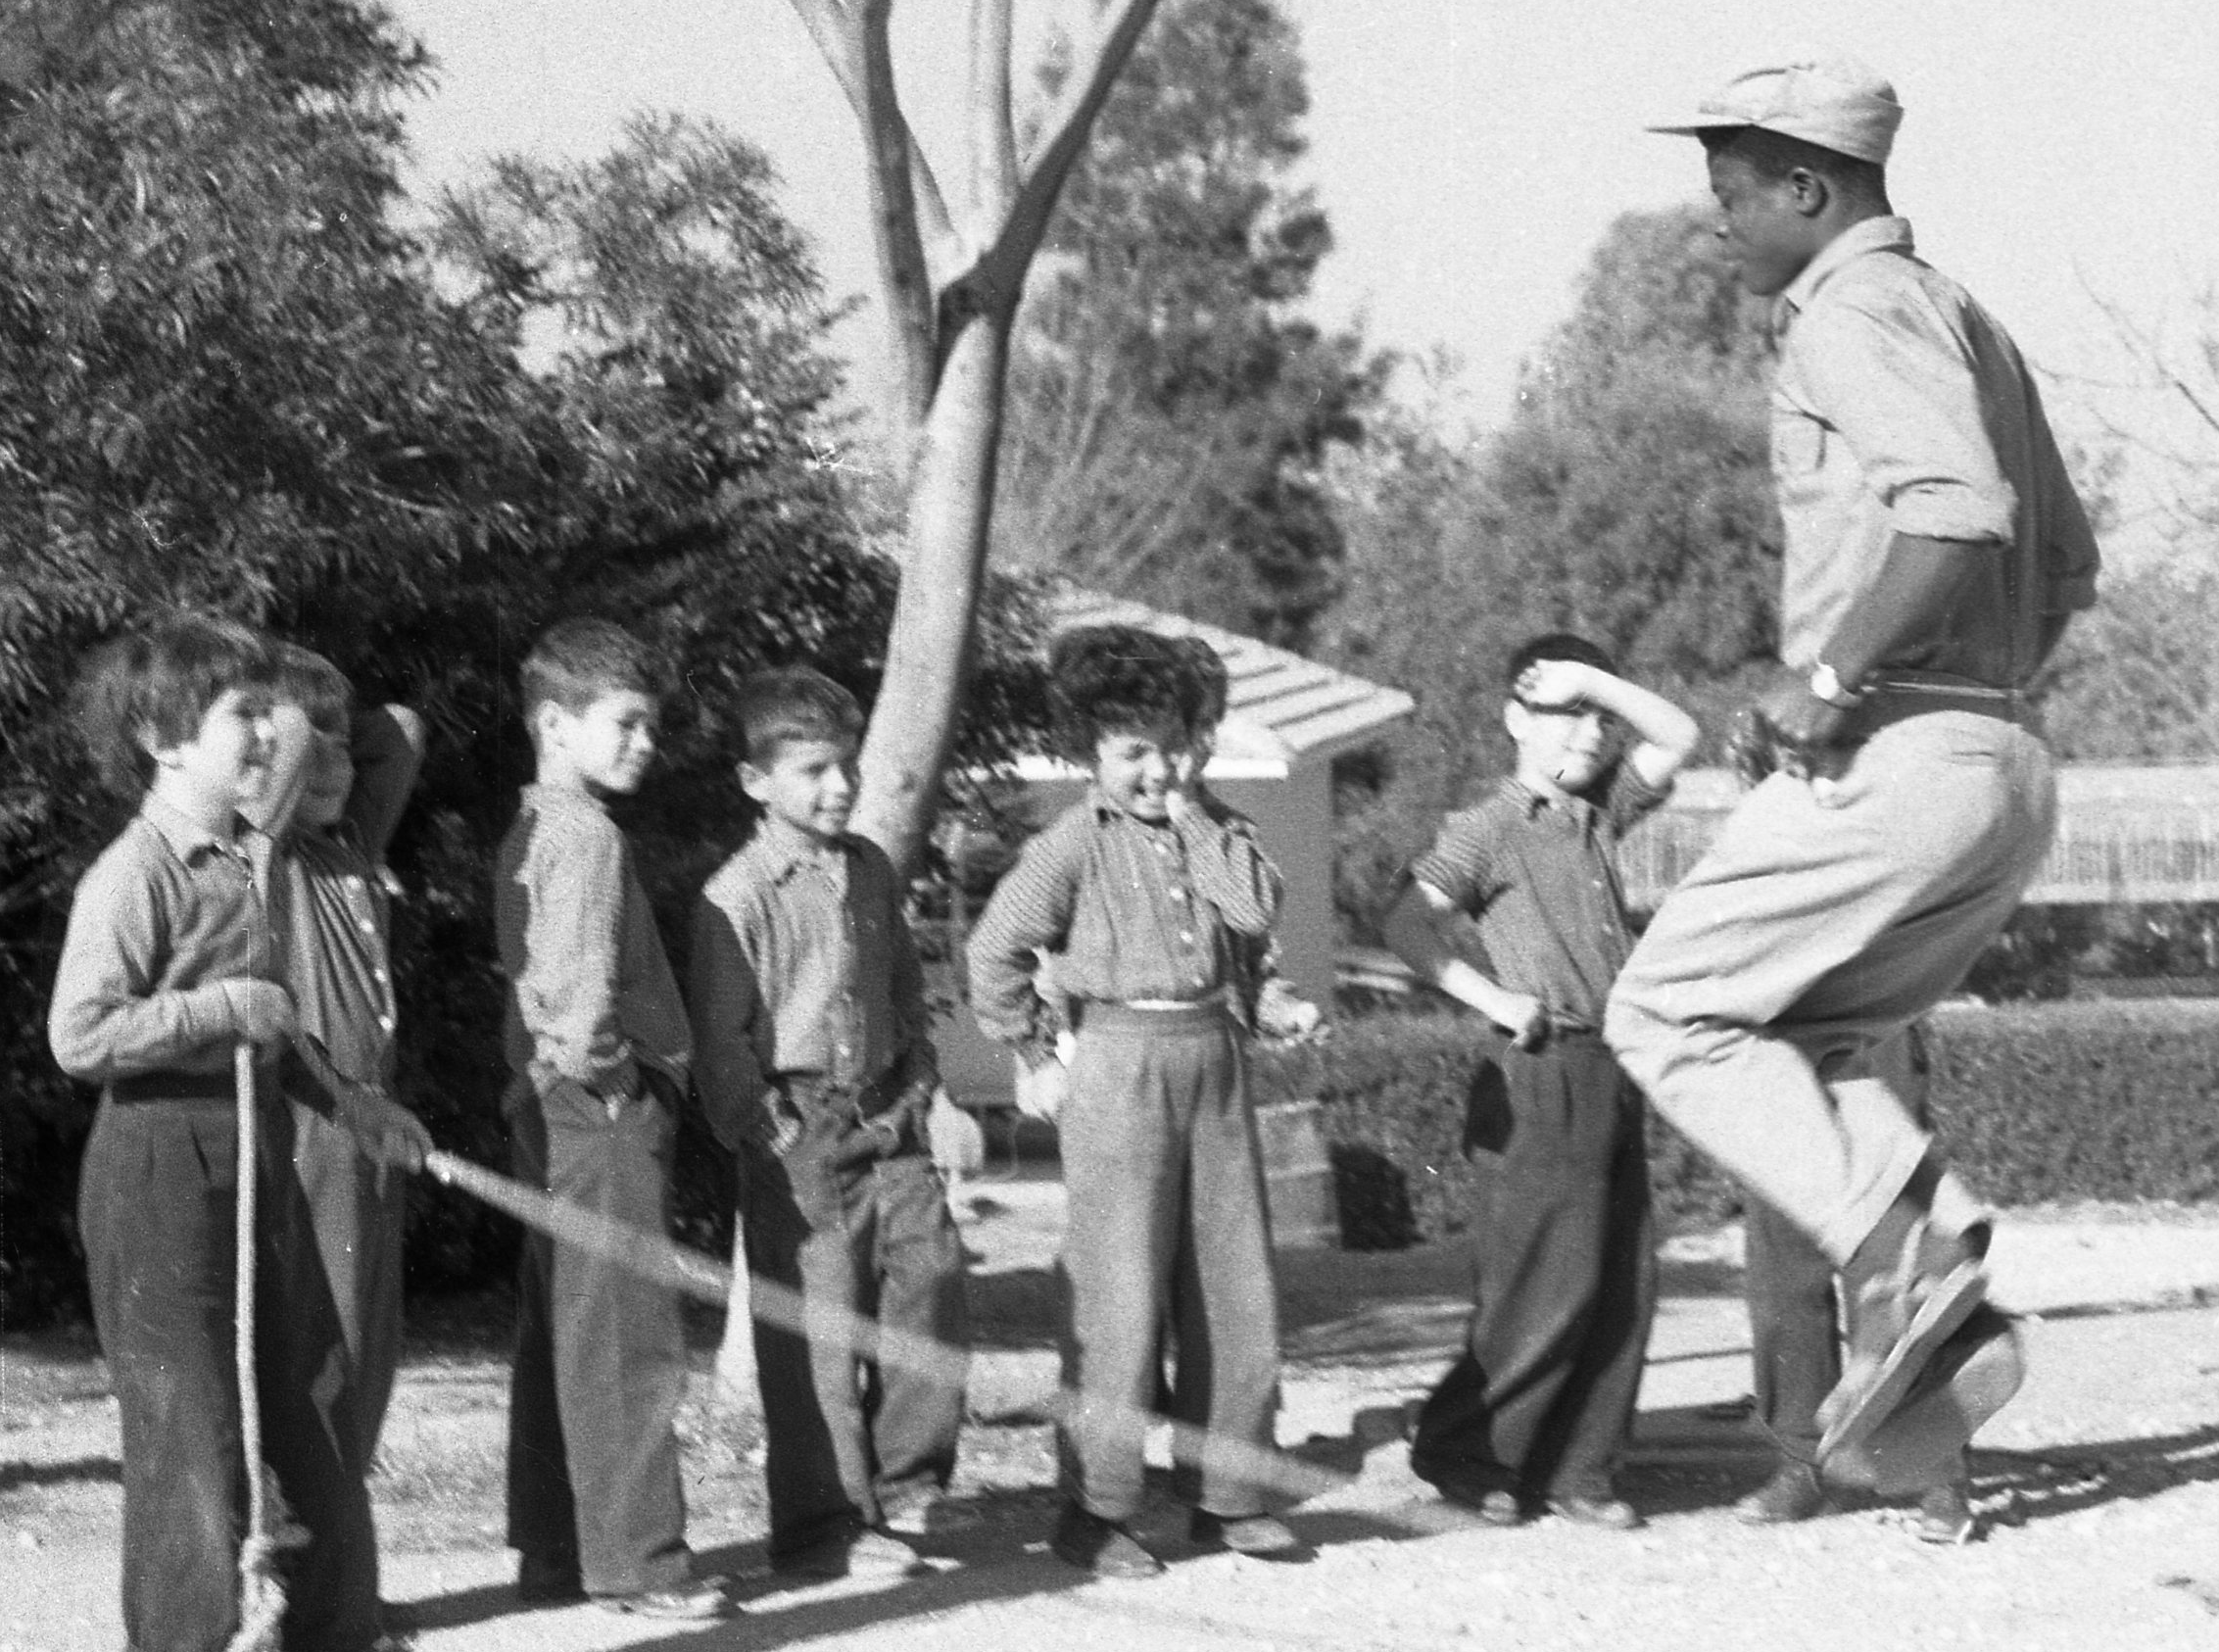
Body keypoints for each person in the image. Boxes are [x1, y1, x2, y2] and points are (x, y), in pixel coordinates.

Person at [1600, 58, 2099, 1491]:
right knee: (1803, 1043)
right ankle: (1946, 1285)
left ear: (1809, 189)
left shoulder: (1856, 309)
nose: (1716, 225)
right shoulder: (1970, 322)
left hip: (1897, 750)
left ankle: (1896, 1263)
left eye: (1731, 194)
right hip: (1999, 759)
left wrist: (1836, 681)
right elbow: (2063, 567)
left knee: (1671, 1010)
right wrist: (1973, 703)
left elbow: (1957, 516)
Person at [47, 613, 409, 1652]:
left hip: (253, 1142)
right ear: (162, 738)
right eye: (243, 714)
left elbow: (278, 1026)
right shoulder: (135, 872)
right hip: (159, 1160)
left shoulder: (253, 858)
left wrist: (355, 1101)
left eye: (272, 707)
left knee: (303, 1388)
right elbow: (79, 1032)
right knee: (192, 1418)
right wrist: (216, 1011)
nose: (274, 731)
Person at [967, 622, 1325, 1577]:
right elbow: (993, 950)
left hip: (1211, 1057)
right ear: (1092, 751)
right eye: (1131, 752)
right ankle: (1099, 1507)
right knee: (1117, 1291)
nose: (1154, 770)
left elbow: (1250, 918)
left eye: (1170, 746)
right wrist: (1035, 1052)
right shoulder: (1069, 844)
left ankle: (1228, 1493)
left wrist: (1202, 817)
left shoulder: (1218, 830)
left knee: (1230, 1286)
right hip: (1117, 1066)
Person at [1390, 635, 1702, 1530]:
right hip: (1538, 1070)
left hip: (1612, 1064)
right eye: (1568, 716)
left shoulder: (1600, 810)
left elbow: (1678, 734)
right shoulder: (1486, 829)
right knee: (1542, 1280)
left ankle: (1581, 1469)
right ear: (1515, 719)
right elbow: (1409, 922)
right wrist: (1489, 996)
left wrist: (1598, 683)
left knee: (1621, 1276)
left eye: (1601, 721)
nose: (1592, 737)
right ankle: (1465, 1454)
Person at [688, 664, 972, 1589]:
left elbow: (900, 987)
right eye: (812, 770)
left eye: (845, 767)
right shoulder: (737, 893)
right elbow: (723, 1039)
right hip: (796, 1126)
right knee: (815, 1333)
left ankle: (905, 1482)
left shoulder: (870, 869)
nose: (839, 787)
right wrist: (762, 1128)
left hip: (887, 1110)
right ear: (754, 782)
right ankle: (822, 1525)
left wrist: (921, 1082)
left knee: (929, 1274)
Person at [497, 614, 709, 1614]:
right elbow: (577, 999)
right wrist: (621, 1079)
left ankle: (557, 1552)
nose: (643, 745)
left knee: (563, 1331)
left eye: (649, 727)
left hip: (550, 1107)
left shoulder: (535, 823)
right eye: (622, 723)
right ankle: (639, 1563)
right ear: (553, 723)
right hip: (596, 1107)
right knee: (623, 1334)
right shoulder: (583, 834)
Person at [247, 643, 427, 1528]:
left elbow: (401, 734)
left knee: (371, 1347)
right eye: (302, 749)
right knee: (327, 1345)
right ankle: (314, 1570)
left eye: (339, 748)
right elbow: (281, 766)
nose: (331, 766)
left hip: (373, 1128)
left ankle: (338, 1564)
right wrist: (291, 726)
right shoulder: (264, 854)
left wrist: (332, 722)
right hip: (313, 1117)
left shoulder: (349, 847)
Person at [1739, 1024, 1979, 1543]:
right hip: (1767, 1040)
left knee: (1899, 1267)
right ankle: (1805, 1463)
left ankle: (1937, 1470)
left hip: (1872, 1031)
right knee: (1785, 1277)